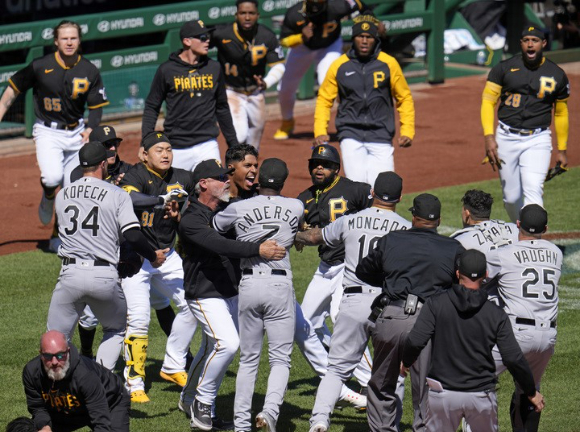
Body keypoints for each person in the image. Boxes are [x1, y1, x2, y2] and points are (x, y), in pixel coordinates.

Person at [295, 171, 411, 432]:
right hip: (389, 307)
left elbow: (314, 237)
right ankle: (389, 424)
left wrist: (294, 235)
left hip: (353, 301)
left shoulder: (351, 220)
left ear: (372, 194)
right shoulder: (404, 228)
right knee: (394, 373)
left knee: (336, 369)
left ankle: (319, 421)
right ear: (400, 197)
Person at [177, 159, 286, 431]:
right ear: (204, 184)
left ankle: (191, 399)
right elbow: (220, 244)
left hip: (230, 290)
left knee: (208, 349)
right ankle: (202, 402)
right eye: (219, 178)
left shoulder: (225, 209)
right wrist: (258, 249)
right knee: (227, 344)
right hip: (203, 293)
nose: (226, 181)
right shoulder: (191, 218)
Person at [46, 142, 166, 371]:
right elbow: (132, 234)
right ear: (103, 164)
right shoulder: (117, 194)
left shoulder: (62, 196)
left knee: (56, 340)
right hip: (103, 275)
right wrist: (152, 256)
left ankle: (61, 391)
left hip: (69, 274)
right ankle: (100, 379)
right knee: (115, 328)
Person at [71, 125, 185, 366]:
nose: (112, 149)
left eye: (115, 144)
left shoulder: (130, 171)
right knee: (91, 315)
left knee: (160, 302)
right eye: (106, 145)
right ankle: (87, 354)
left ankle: (182, 357)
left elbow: (138, 196)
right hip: (98, 249)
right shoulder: (79, 174)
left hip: (129, 252)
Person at [401, 250, 545, 432]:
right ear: (485, 275)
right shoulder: (495, 313)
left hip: (443, 392)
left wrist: (405, 361)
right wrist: (531, 392)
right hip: (481, 395)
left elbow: (415, 341)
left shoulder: (436, 304)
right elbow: (513, 358)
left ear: (458, 273)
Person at [355, 193, 465, 432]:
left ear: (414, 217)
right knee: (428, 388)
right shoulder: (453, 247)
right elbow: (462, 287)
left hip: (392, 317)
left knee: (382, 383)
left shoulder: (392, 240)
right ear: (438, 220)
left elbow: (362, 270)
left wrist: (388, 279)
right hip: (430, 323)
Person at [213, 158, 304, 432]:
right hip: (280, 286)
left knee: (249, 359)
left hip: (250, 285)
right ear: (284, 182)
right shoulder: (296, 206)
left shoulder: (238, 207)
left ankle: (241, 425)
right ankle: (270, 412)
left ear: (258, 179)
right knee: (280, 358)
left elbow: (217, 226)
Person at [0, 20, 109, 227]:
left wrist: (90, 128)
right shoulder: (41, 66)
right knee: (52, 178)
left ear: (79, 41)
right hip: (47, 132)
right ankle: (48, 197)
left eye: (73, 38)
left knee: (71, 189)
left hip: (76, 133)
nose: (69, 42)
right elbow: (12, 89)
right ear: (56, 42)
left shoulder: (89, 70)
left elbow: (96, 105)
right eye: (64, 38)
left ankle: (58, 236)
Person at [118, 131, 198, 403]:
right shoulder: (135, 176)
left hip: (168, 255)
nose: (165, 154)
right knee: (139, 319)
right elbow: (128, 199)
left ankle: (173, 364)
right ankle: (134, 382)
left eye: (169, 149)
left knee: (194, 303)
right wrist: (160, 200)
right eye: (158, 149)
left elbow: (201, 203)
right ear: (144, 154)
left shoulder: (183, 177)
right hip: (137, 259)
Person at [297, 143, 373, 386]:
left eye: (326, 165)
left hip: (349, 268)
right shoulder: (305, 198)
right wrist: (300, 232)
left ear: (336, 168)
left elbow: (378, 212)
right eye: (315, 164)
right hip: (325, 267)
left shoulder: (355, 190)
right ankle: (334, 373)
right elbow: (297, 228)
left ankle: (370, 381)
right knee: (304, 322)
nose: (319, 168)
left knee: (344, 321)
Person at [481, 26, 570, 222]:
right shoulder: (503, 68)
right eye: (526, 40)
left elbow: (561, 112)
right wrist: (489, 137)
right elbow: (488, 102)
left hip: (538, 139)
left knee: (533, 190)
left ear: (543, 43)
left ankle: (534, 237)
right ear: (521, 43)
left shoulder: (557, 74)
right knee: (511, 199)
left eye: (535, 40)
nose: (530, 44)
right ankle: (519, 231)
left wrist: (561, 149)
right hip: (505, 137)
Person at [314, 15, 415, 186]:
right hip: (350, 133)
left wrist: (407, 131)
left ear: (376, 39)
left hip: (381, 134)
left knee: (384, 189)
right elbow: (324, 99)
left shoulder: (389, 64)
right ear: (353, 38)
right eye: (360, 36)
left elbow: (404, 98)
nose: (364, 41)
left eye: (369, 37)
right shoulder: (339, 65)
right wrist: (320, 130)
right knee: (357, 187)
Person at [488, 204, 562, 432]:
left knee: (475, 380)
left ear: (517, 224)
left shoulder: (504, 254)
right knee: (529, 390)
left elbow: (478, 281)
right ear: (545, 228)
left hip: (514, 336)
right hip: (547, 339)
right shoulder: (556, 253)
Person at [142, 19, 238, 171]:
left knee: (215, 189)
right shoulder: (167, 70)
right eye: (202, 38)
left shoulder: (214, 68)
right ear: (187, 41)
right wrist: (146, 142)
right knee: (178, 194)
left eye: (208, 37)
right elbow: (152, 107)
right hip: (177, 147)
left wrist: (234, 144)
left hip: (207, 143)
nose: (207, 41)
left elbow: (222, 108)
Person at [274, 0, 368, 139]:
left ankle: (351, 123)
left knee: (331, 83)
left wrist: (371, 23)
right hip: (302, 48)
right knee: (285, 89)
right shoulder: (295, 13)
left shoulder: (338, 5)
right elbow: (283, 40)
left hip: (329, 46)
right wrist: (300, 37)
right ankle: (287, 122)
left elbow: (361, 7)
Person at [212, 0, 286, 149]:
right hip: (231, 90)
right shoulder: (221, 33)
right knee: (239, 136)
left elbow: (279, 65)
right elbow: (199, 44)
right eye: (243, 13)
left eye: (251, 13)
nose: (247, 17)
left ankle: (248, 169)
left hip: (255, 92)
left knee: (253, 144)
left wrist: (266, 82)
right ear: (236, 15)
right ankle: (233, 167)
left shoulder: (267, 35)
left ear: (257, 15)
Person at [22, 331, 131, 432]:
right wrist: (45, 427)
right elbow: (37, 407)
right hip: (68, 409)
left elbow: (101, 421)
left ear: (68, 352)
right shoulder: (32, 373)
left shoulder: (84, 375)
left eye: (60, 355)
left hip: (110, 402)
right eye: (48, 356)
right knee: (23, 428)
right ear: (41, 354)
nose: (54, 362)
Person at [450, 189, 519, 304]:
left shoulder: (460, 241)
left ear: (467, 213)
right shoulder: (514, 229)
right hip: (517, 299)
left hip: (483, 305)